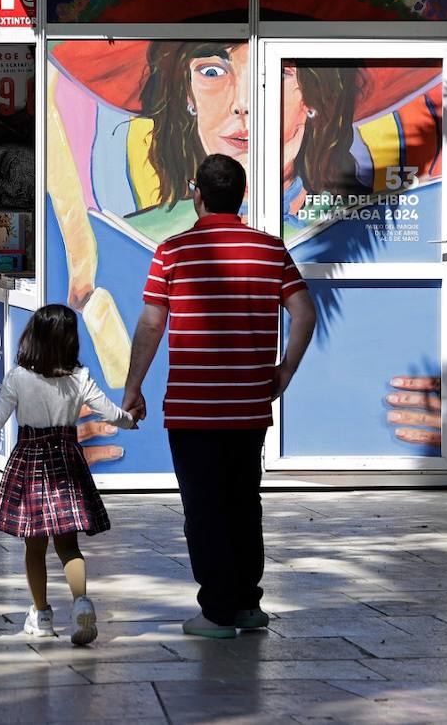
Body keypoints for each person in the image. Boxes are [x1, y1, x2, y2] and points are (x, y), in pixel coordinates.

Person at [121, 154, 316, 639]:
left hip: (193, 407)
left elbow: (151, 322)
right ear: (242, 196)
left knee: (204, 508)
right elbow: (305, 313)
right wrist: (284, 372)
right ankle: (248, 605)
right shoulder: (270, 250)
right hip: (249, 404)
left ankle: (216, 612)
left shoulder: (173, 251)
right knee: (244, 503)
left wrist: (132, 387)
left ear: (197, 195)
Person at [0, 304, 138, 644]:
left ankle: (42, 615)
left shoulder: (19, 377)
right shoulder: (78, 377)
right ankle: (81, 602)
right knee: (69, 545)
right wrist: (130, 418)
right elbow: (111, 413)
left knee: (34, 548)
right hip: (67, 460)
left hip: (31, 464)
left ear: (32, 337)